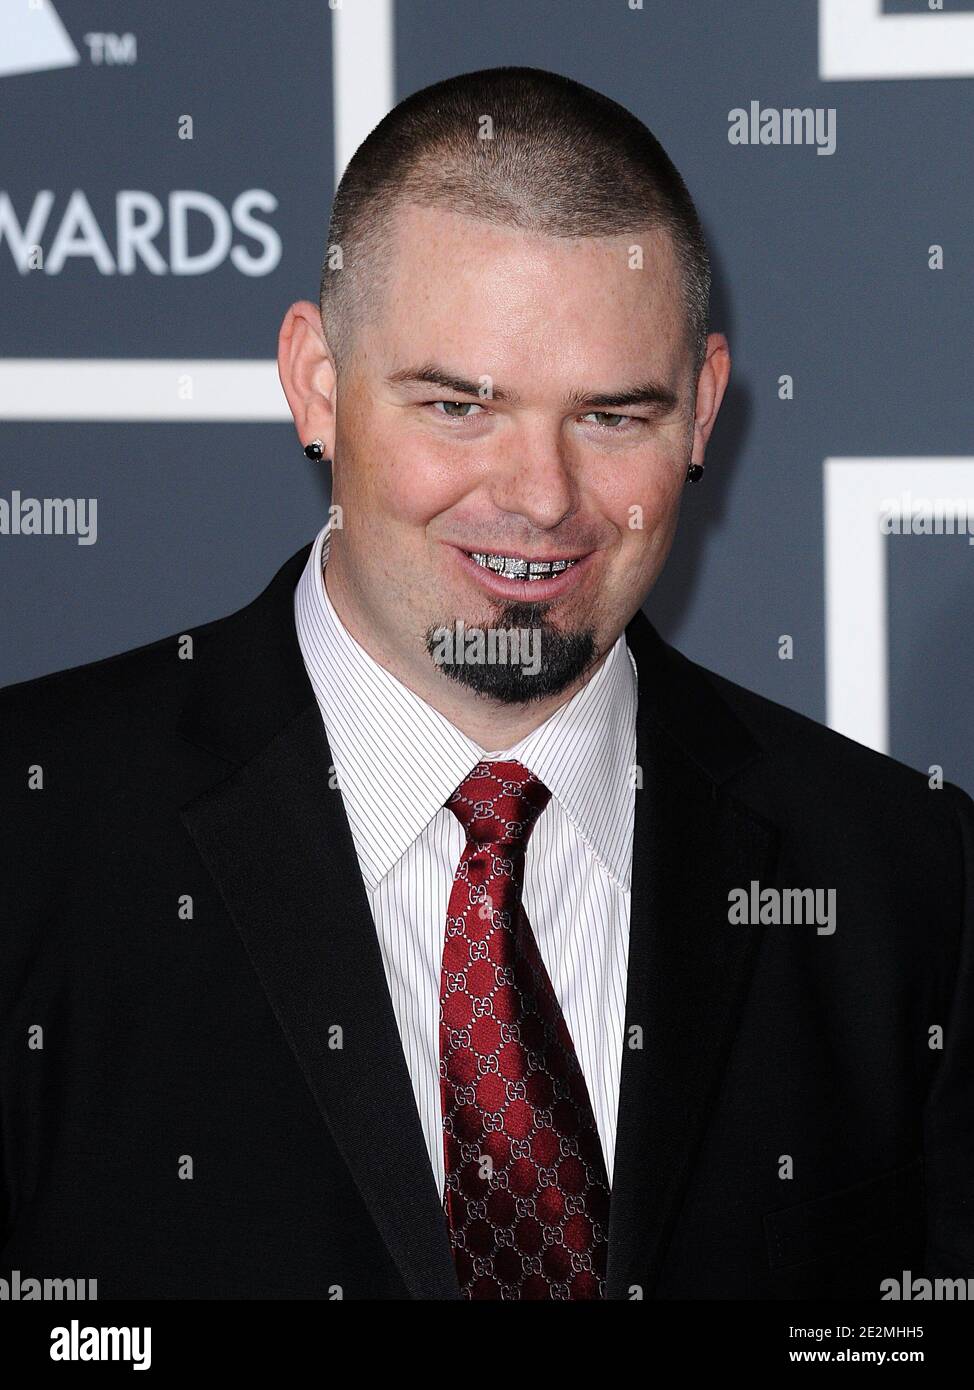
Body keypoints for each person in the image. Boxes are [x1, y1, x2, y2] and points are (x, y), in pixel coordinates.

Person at [1, 66, 971, 1301]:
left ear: (702, 411)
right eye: (459, 405)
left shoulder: (905, 883)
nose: (539, 496)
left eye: (612, 415)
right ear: (315, 385)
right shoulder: (31, 833)